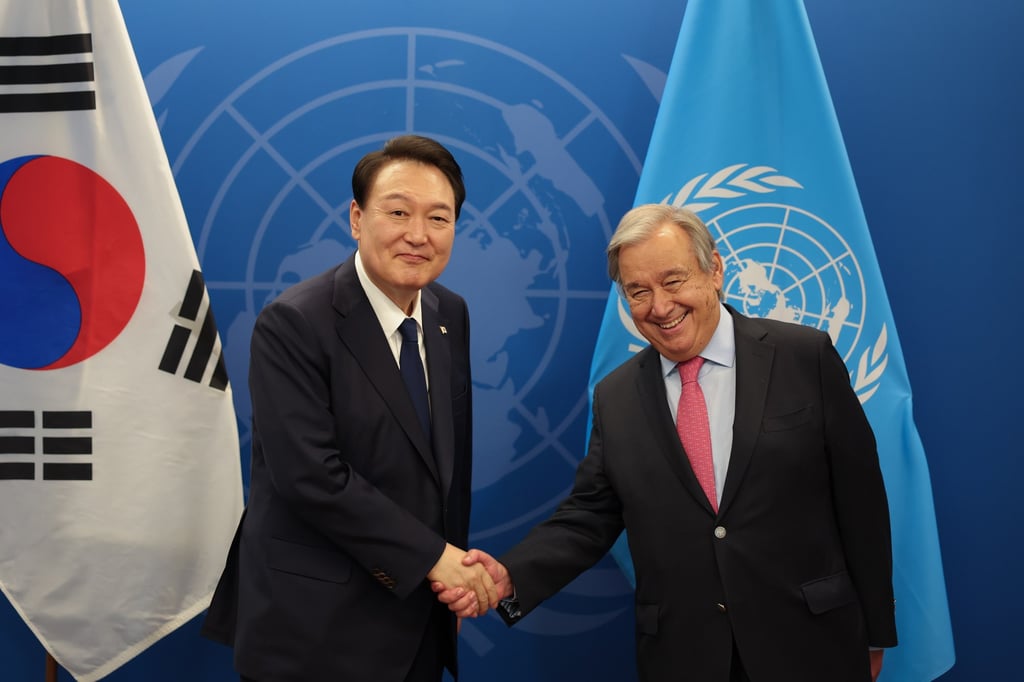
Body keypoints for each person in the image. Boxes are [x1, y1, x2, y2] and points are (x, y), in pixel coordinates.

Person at [437, 204, 897, 681]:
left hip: (812, 645)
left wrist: (876, 630)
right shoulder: (616, 397)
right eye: (639, 291)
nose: (659, 306)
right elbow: (588, 518)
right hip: (686, 656)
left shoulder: (806, 357)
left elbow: (861, 501)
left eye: (673, 281)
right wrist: (510, 576)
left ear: (714, 270)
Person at [202, 134, 497, 682]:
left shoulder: (448, 313)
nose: (418, 235)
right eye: (398, 212)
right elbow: (310, 477)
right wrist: (435, 558)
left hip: (417, 615)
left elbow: (444, 471)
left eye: (439, 217)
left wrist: (447, 579)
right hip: (316, 633)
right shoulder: (294, 324)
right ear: (357, 218)